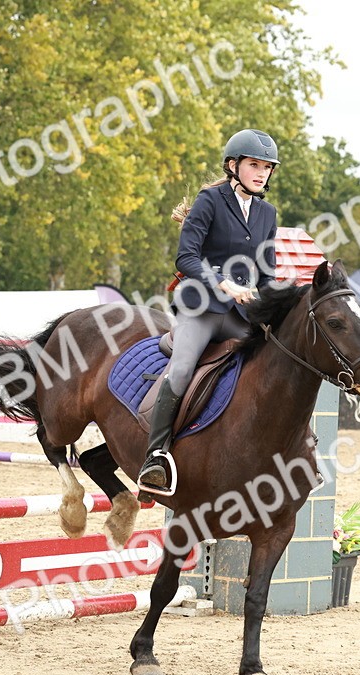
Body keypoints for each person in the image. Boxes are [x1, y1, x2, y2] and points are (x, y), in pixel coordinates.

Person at [137, 129, 281, 496]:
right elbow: (186, 257)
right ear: (233, 165)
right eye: (254, 165)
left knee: (276, 365)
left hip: (240, 315)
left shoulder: (267, 213)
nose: (261, 173)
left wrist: (280, 305)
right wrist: (224, 283)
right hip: (200, 307)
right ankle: (156, 456)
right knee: (182, 368)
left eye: (266, 167)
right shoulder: (210, 201)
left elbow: (267, 275)